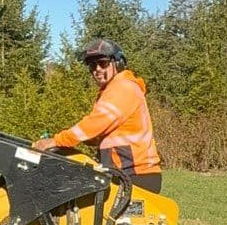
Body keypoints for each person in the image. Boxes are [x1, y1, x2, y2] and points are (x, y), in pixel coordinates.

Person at [34, 37, 162, 192]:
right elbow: (101, 130)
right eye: (92, 65)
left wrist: (57, 141)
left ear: (118, 63)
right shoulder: (112, 90)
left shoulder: (123, 87)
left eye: (103, 63)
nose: (97, 69)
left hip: (135, 175)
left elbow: (95, 123)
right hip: (123, 172)